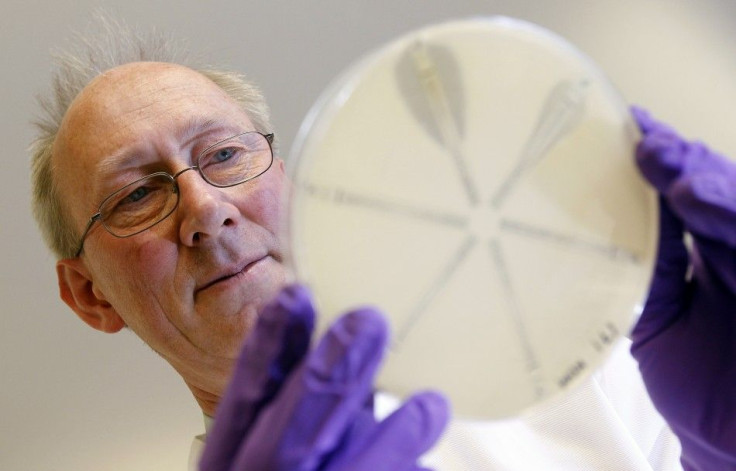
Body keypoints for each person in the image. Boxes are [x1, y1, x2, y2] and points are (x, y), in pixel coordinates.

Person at [29, 18, 733, 471]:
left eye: (224, 156)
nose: (206, 210)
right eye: (136, 196)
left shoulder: (567, 359)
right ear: (89, 295)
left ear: (293, 189)